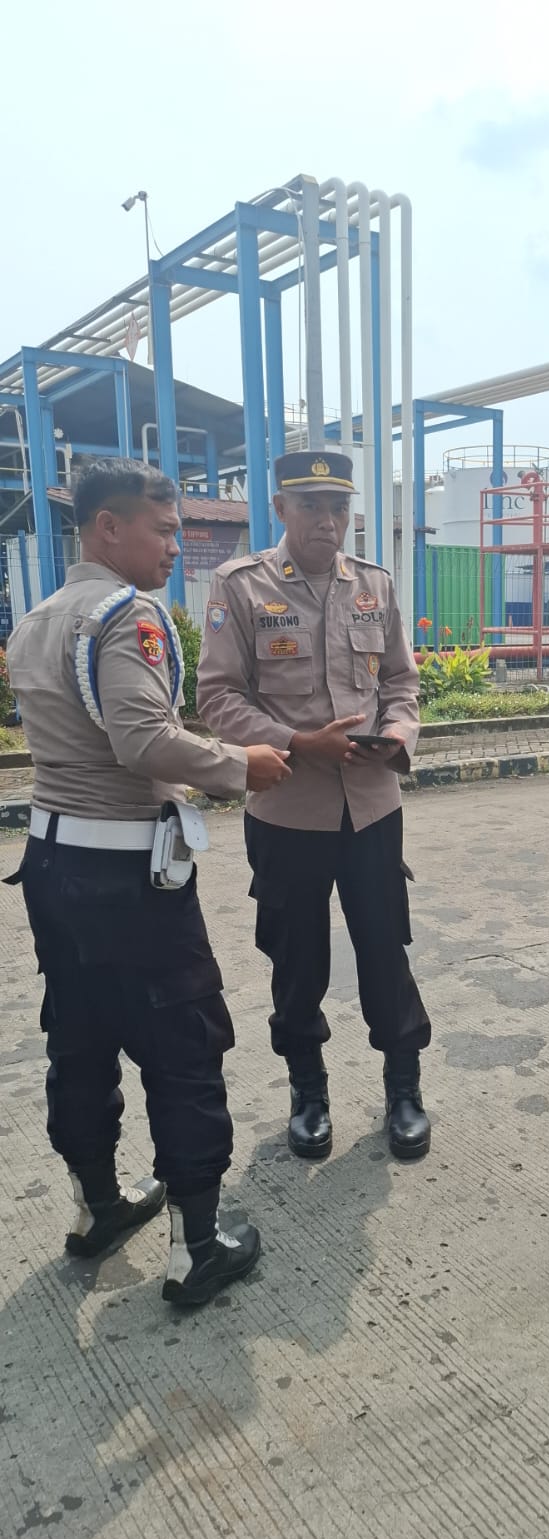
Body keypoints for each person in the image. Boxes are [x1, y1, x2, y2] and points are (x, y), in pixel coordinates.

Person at [4, 459, 292, 1307]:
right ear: (108, 528)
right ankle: (197, 1247)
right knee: (183, 1045)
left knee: (81, 1036)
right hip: (126, 877)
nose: (175, 546)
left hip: (53, 864)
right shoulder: (127, 614)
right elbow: (142, 741)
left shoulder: (37, 620)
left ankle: (99, 1207)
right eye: (163, 530)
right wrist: (241, 763)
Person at [197, 450, 431, 1162]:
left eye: (338, 507)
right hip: (287, 810)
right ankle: (308, 1091)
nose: (327, 520)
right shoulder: (240, 585)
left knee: (385, 948)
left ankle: (403, 1087)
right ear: (280, 509)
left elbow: (401, 683)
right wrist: (298, 742)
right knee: (296, 958)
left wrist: (397, 736)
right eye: (310, 505)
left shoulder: (375, 584)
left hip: (372, 807)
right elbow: (217, 698)